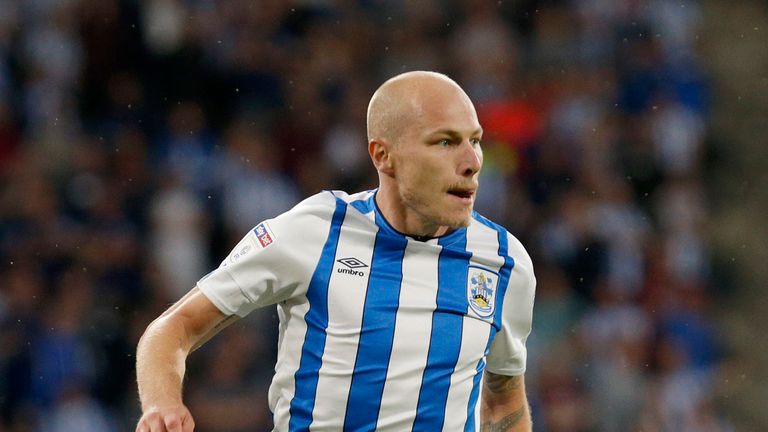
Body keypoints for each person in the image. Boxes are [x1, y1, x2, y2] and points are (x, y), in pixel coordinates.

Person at [135, 71, 536, 432]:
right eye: (445, 142)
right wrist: (161, 406)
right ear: (383, 155)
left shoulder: (504, 262)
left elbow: (503, 396)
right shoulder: (315, 231)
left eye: (475, 141)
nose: (471, 162)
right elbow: (173, 328)